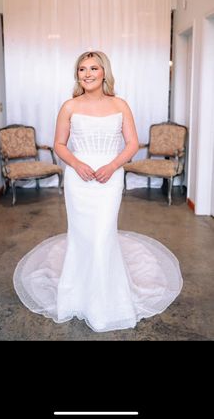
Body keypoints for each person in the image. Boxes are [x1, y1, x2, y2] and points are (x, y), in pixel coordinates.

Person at [13, 50, 183, 332]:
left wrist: (113, 166)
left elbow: (131, 143)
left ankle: (107, 301)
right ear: (77, 74)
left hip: (109, 177)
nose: (88, 73)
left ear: (105, 72)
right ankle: (75, 296)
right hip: (79, 180)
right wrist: (77, 164)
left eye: (94, 68)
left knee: (103, 234)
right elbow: (59, 144)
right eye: (82, 69)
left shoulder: (120, 104)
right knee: (81, 236)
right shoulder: (69, 106)